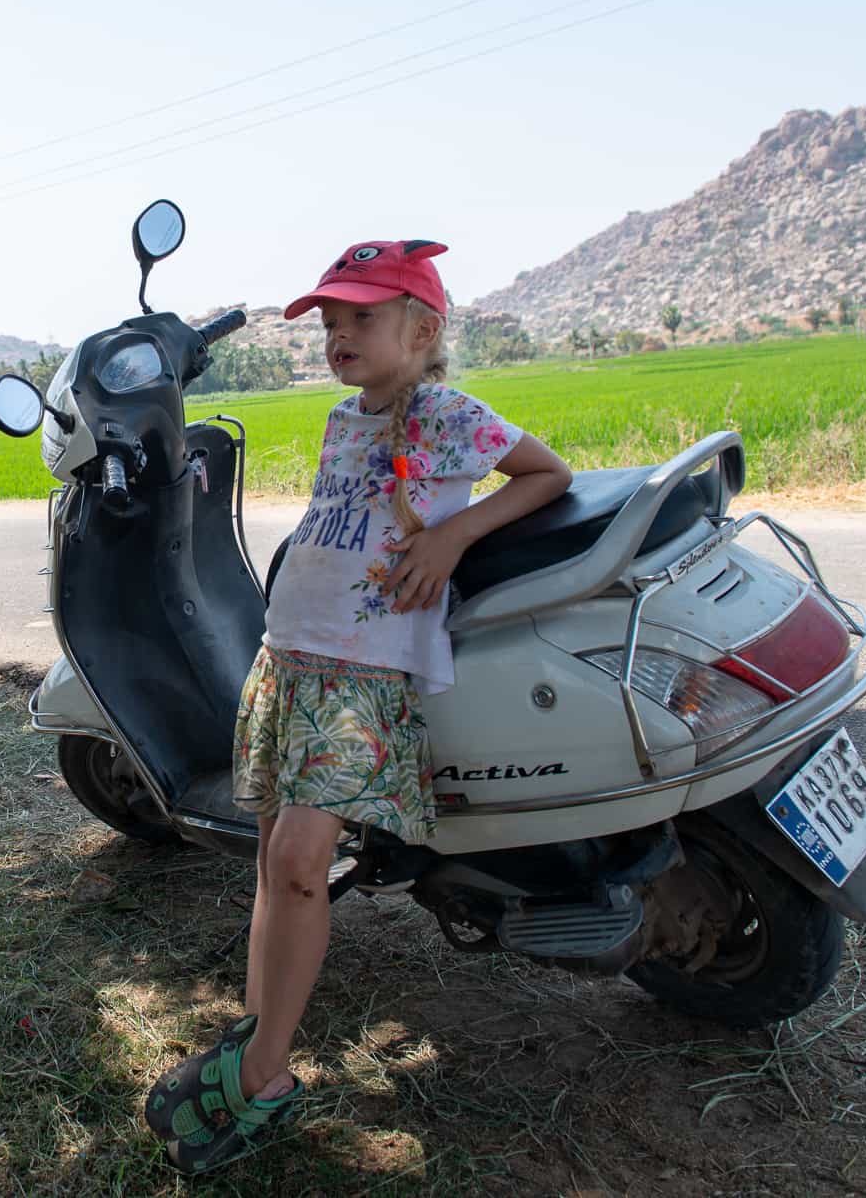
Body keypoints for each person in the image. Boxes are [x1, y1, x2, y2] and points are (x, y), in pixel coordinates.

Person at [143, 239, 574, 1174]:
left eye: (361, 318)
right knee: (273, 864)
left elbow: (549, 474)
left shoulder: (450, 414)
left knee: (303, 862)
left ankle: (263, 1075)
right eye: (331, 321)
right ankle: (257, 1038)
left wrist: (457, 534)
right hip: (293, 660)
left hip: (364, 675)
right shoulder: (346, 417)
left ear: (422, 330)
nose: (338, 334)